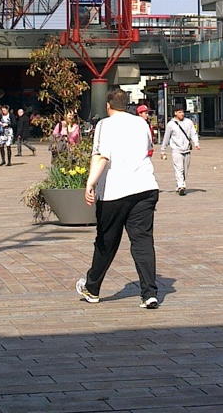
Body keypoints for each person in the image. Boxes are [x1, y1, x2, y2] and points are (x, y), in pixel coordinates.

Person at [77, 87, 161, 309]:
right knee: (142, 241)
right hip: (145, 186)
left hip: (115, 191)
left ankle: (92, 288)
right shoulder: (141, 123)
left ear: (108, 105)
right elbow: (148, 149)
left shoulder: (104, 125)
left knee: (106, 241)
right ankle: (149, 293)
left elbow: (102, 155)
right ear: (128, 105)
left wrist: (90, 183)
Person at [160, 104, 200, 196]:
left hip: (186, 149)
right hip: (176, 150)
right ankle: (182, 186)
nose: (182, 114)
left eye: (182, 112)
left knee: (185, 170)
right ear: (175, 113)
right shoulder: (171, 124)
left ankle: (179, 185)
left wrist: (196, 143)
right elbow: (166, 138)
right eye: (179, 112)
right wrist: (163, 150)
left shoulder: (188, 122)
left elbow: (193, 133)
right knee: (179, 168)